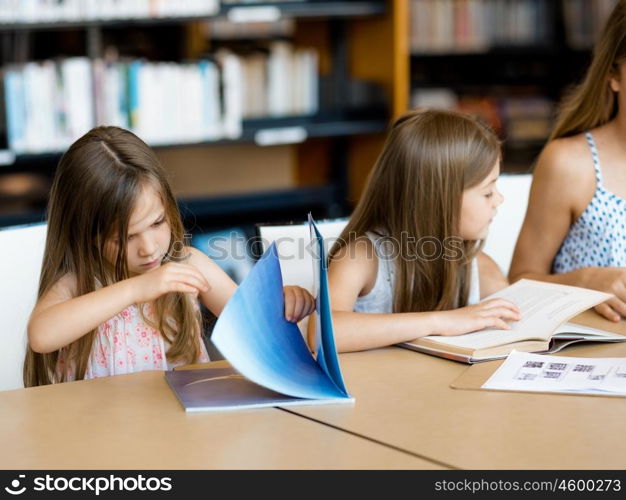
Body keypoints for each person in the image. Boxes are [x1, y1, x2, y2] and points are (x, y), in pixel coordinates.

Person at [25, 126, 315, 386]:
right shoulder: (79, 281)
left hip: (179, 431)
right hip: (101, 434)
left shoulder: (187, 264)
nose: (149, 248)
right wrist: (136, 289)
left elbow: (253, 324)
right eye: (125, 237)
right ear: (86, 234)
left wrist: (282, 304)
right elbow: (41, 336)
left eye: (157, 223)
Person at [313, 108, 520, 353]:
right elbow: (321, 333)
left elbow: (517, 333)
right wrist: (441, 321)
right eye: (487, 192)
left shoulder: (481, 269)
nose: (499, 199)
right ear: (437, 200)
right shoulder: (362, 258)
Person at [509, 0, 626, 322]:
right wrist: (584, 281)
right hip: (590, 356)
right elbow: (517, 282)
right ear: (614, 75)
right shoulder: (571, 163)